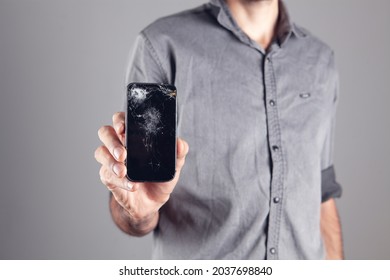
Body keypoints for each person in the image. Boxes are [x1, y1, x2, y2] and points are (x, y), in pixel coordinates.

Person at [95, 0, 344, 259]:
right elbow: (135, 196)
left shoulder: (319, 59)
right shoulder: (163, 45)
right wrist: (139, 212)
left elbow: (322, 193)